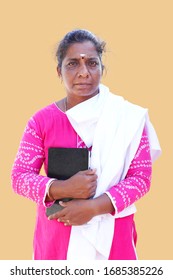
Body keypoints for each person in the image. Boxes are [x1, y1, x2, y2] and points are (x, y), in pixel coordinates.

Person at [11, 29, 161, 260]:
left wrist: (94, 207)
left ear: (102, 68)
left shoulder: (126, 117)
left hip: (113, 233)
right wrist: (63, 188)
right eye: (72, 64)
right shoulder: (41, 121)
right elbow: (20, 177)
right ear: (58, 71)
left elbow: (141, 178)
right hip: (57, 236)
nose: (83, 73)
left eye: (92, 63)